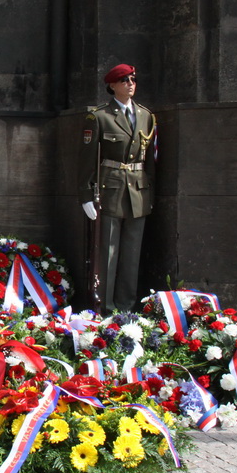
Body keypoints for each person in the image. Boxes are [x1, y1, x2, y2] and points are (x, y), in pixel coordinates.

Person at [78, 63, 156, 313]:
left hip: (138, 190)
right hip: (110, 188)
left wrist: (150, 192)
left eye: (132, 79)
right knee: (108, 254)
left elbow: (150, 161)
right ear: (112, 85)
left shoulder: (146, 115)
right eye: (124, 80)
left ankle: (126, 308)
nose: (130, 84)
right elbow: (87, 159)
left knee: (132, 255)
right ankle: (106, 308)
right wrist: (86, 195)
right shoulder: (99, 116)